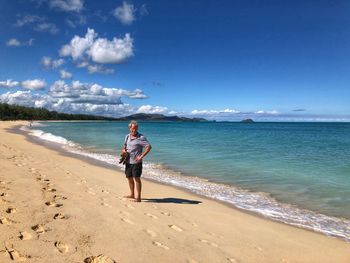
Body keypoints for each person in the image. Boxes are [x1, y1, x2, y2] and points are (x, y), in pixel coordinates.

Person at [121, 120, 152, 202]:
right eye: (132, 128)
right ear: (129, 128)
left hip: (136, 163)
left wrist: (141, 156)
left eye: (135, 128)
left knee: (137, 178)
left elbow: (148, 147)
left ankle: (138, 198)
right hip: (128, 161)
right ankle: (132, 194)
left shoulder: (141, 137)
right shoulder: (127, 136)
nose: (134, 130)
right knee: (129, 178)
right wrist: (123, 151)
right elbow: (124, 146)